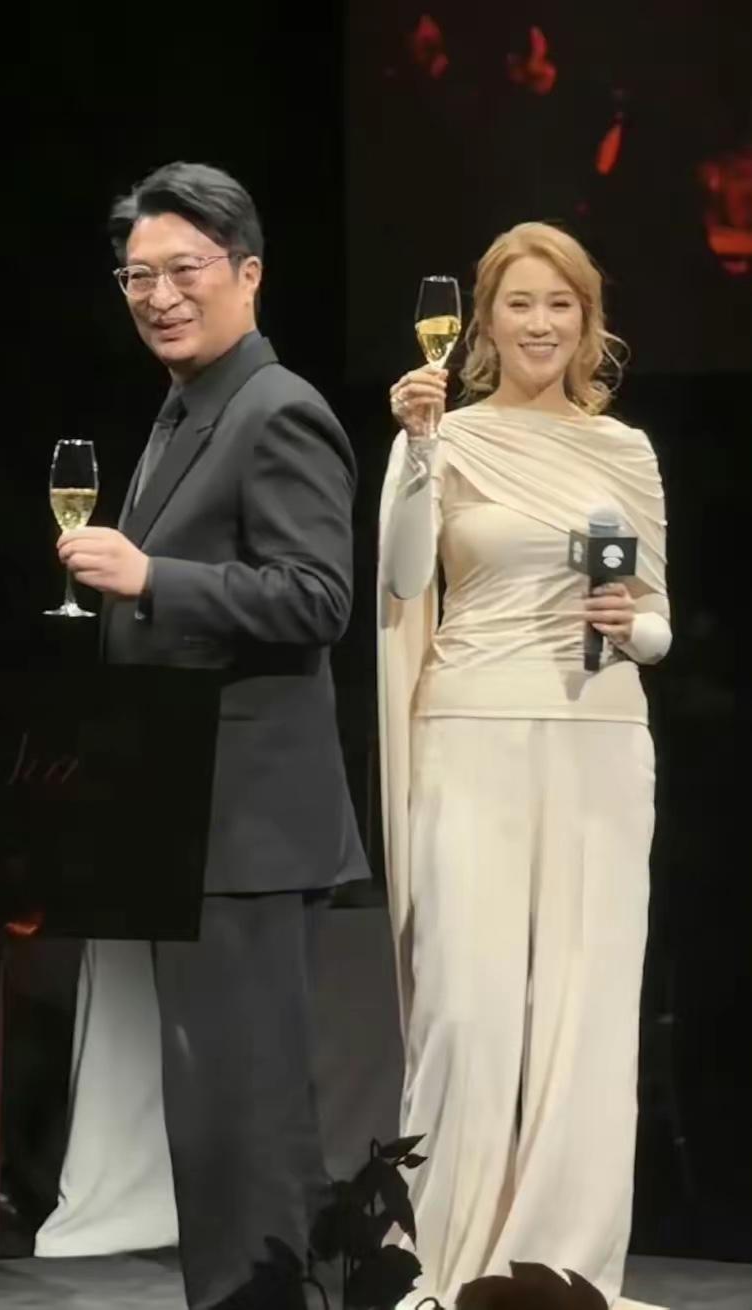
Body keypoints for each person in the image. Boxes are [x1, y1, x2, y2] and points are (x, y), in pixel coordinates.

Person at [48, 161, 367, 1309]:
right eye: (138, 276)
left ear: (248, 272)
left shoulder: (276, 408)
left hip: (249, 824)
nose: (160, 296)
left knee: (250, 1116)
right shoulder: (191, 404)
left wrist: (152, 577)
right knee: (213, 1120)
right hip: (188, 816)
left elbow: (318, 596)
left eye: (183, 269)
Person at [378, 222, 671, 1308]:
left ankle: (560, 1266)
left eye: (560, 304)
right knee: (466, 1003)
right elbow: (402, 578)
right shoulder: (445, 436)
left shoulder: (625, 451)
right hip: (472, 728)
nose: (541, 323)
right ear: (484, 325)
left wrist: (635, 624)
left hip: (599, 736)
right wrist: (416, 452)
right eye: (519, 303)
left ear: (586, 321)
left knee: (586, 1009)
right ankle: (439, 1259)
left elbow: (658, 621)